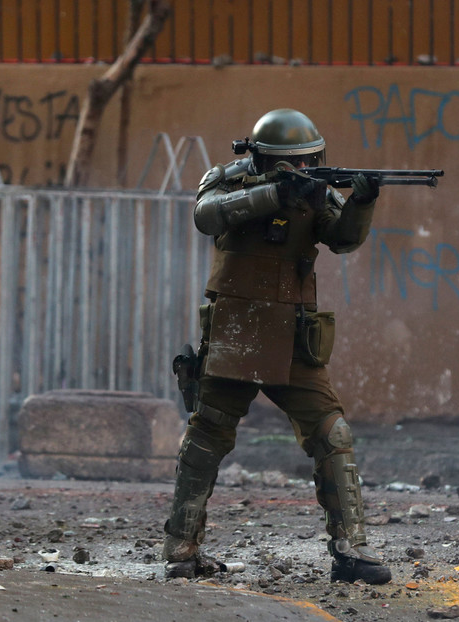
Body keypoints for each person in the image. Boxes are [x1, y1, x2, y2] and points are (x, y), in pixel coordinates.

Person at [163, 108, 390, 585]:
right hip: (236, 331)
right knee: (207, 437)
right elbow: (207, 216)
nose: (308, 171)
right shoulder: (227, 180)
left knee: (332, 433)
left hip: (291, 336)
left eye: (312, 161)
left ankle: (351, 548)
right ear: (272, 162)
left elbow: (342, 238)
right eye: (298, 164)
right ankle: (181, 547)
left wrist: (362, 202)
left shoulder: (317, 192)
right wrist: (275, 195)